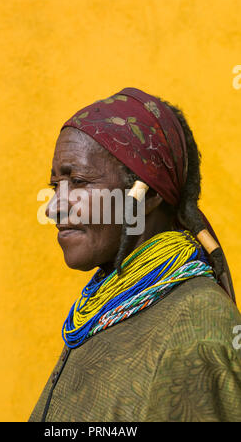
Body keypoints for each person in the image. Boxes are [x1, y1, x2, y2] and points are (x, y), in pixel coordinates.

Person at [29, 88, 241, 422]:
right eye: (56, 186)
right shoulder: (105, 310)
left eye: (79, 181)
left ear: (148, 193)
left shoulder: (195, 325)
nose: (53, 208)